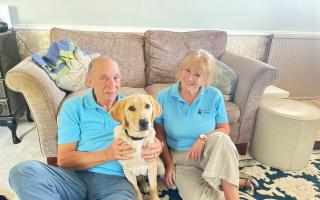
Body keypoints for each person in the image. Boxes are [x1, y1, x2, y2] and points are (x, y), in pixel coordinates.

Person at [8, 56, 163, 200]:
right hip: (74, 177)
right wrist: (108, 154)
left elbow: (152, 135)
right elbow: (65, 160)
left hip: (116, 183)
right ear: (89, 81)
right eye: (103, 78)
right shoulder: (73, 107)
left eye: (116, 78)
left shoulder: (133, 107)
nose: (112, 84)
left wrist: (158, 146)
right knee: (22, 171)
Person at [155, 49, 247, 200]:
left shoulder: (214, 95)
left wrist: (203, 138)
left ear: (205, 78)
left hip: (210, 153)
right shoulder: (164, 97)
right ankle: (229, 180)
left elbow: (224, 129)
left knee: (222, 139)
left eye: (197, 75)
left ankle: (232, 194)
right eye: (187, 70)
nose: (190, 78)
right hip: (182, 159)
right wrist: (169, 164)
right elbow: (159, 133)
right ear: (180, 69)